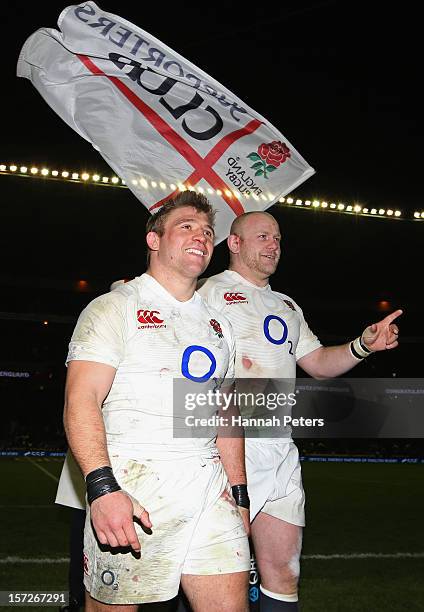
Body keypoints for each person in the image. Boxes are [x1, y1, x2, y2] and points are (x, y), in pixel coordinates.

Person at [198, 210, 402, 611]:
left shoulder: (287, 304)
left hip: (281, 450)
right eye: (262, 237)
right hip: (230, 448)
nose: (273, 244)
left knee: (285, 573)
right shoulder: (207, 291)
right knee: (217, 574)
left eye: (277, 238)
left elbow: (319, 364)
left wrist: (363, 344)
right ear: (234, 243)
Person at [63, 192, 250, 611]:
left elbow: (226, 412)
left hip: (208, 487)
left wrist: (239, 496)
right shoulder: (115, 307)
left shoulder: (219, 323)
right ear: (154, 240)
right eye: (186, 226)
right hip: (133, 484)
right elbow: (82, 399)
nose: (201, 236)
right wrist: (102, 488)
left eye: (207, 231)